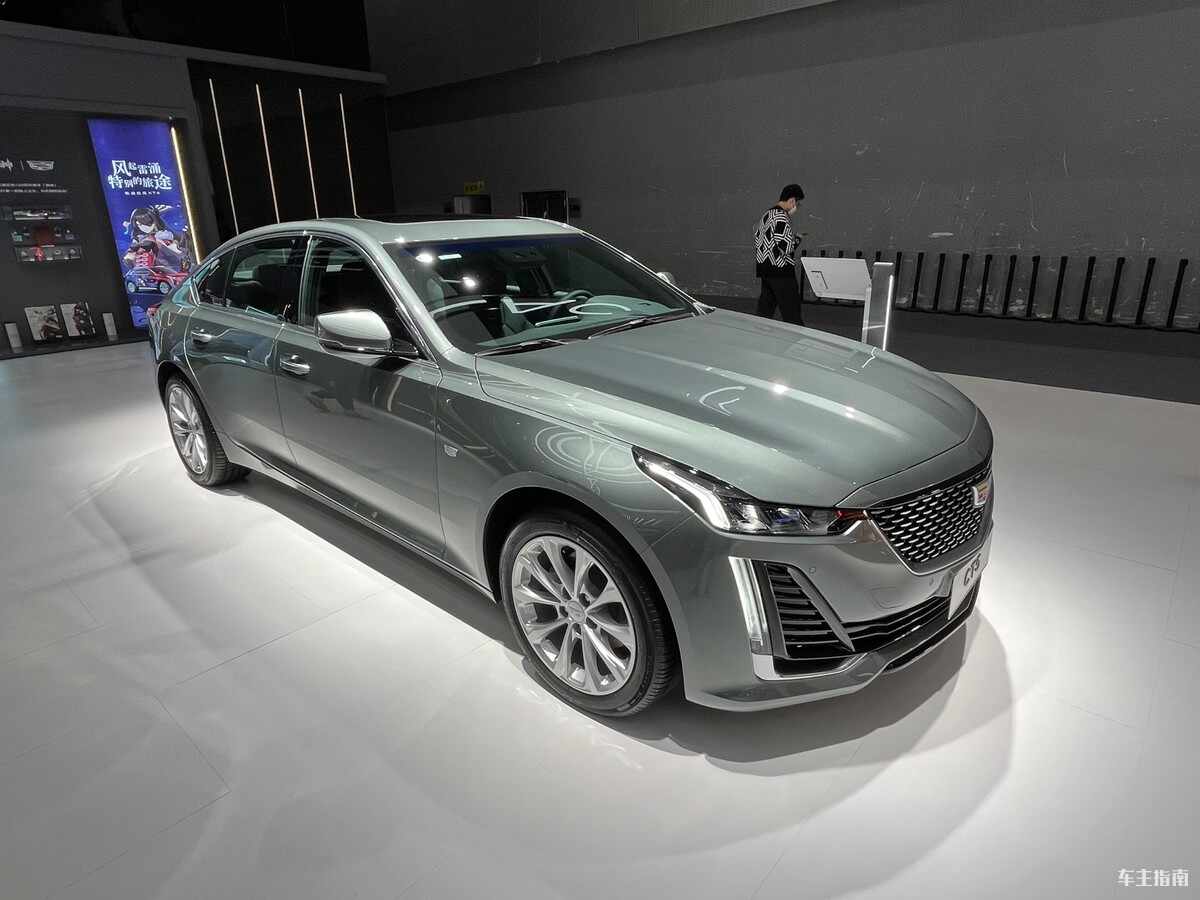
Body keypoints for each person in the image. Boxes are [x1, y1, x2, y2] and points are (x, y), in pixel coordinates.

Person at [754, 184, 806, 325]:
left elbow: (759, 239)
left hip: (765, 269)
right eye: (797, 203)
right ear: (792, 200)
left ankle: (758, 335)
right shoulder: (781, 217)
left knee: (765, 311)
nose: (796, 207)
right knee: (792, 313)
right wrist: (797, 239)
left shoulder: (766, 215)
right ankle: (797, 336)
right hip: (781, 271)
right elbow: (786, 248)